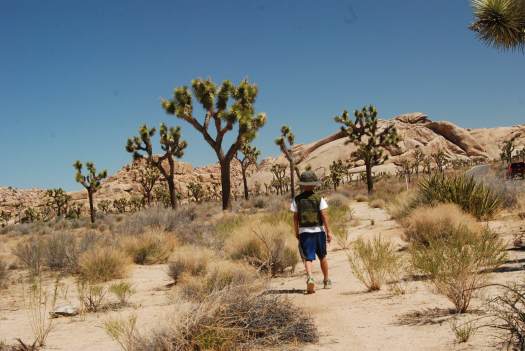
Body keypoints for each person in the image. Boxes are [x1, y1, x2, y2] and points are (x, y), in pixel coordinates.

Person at [290, 170, 333, 294]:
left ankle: (310, 277)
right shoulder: (319, 198)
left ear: (302, 185)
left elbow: (295, 217)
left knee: (308, 258)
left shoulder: (297, 200)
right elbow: (324, 215)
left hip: (304, 232)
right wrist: (329, 231)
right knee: (322, 256)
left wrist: (296, 231)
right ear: (314, 184)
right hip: (319, 231)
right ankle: (326, 280)